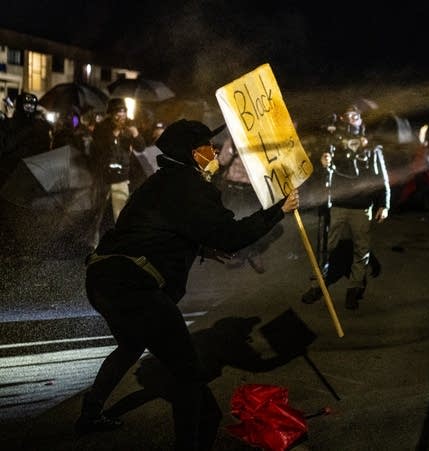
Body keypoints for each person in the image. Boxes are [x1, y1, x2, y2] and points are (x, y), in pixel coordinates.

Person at [75, 119, 300, 451]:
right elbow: (231, 234)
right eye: (208, 148)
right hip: (133, 287)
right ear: (193, 154)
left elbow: (162, 228)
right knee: (189, 375)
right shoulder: (188, 187)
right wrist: (277, 211)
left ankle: (90, 414)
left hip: (103, 279)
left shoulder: (163, 181)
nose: (214, 153)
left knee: (131, 346)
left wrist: (205, 246)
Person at [302, 105, 390, 310]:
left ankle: (354, 288)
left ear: (362, 121)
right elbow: (319, 178)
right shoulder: (333, 145)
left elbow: (382, 179)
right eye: (347, 116)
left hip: (362, 207)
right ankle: (317, 286)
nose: (351, 120)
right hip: (337, 205)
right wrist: (322, 165)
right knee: (326, 247)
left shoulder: (371, 149)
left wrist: (383, 205)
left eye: (356, 116)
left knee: (361, 248)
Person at [215, 133, 284, 273]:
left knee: (252, 222)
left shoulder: (244, 142)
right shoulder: (235, 142)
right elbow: (222, 161)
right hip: (234, 189)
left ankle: (250, 251)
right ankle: (242, 252)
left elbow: (222, 161)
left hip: (247, 189)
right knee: (237, 223)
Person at [87, 98, 146, 247]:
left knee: (121, 213)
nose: (121, 116)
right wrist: (115, 132)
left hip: (121, 177)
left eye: (123, 112)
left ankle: (123, 243)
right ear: (110, 114)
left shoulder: (130, 126)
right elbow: (98, 147)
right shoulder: (102, 128)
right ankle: (91, 242)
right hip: (104, 177)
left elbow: (141, 147)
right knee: (97, 212)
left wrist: (135, 135)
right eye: (118, 113)